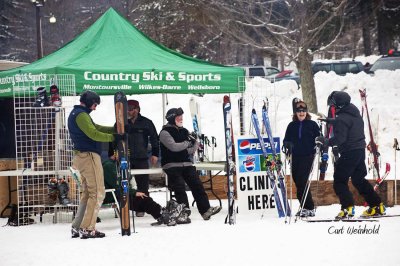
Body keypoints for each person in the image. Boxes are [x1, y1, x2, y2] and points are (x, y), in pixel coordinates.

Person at [316, 91, 385, 219]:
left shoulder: (342, 118)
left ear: (338, 106)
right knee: (358, 180)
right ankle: (377, 205)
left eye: (333, 106)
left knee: (339, 180)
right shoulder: (354, 114)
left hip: (349, 152)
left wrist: (325, 141)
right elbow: (346, 124)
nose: (332, 108)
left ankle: (347, 208)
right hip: (359, 151)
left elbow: (340, 139)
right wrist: (331, 120)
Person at [68, 90, 119, 239]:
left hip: (80, 157)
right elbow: (93, 134)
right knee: (97, 192)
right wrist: (113, 137)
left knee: (87, 194)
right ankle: (88, 228)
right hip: (88, 156)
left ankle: (77, 227)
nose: (95, 108)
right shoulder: (81, 115)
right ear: (90, 102)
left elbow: (95, 127)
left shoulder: (77, 113)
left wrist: (114, 129)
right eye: (95, 104)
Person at [159, 107, 222, 222]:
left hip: (186, 163)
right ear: (172, 118)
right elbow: (173, 147)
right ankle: (184, 212)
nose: (181, 119)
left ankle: (205, 210)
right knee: (179, 187)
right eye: (178, 117)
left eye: (181, 117)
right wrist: (187, 143)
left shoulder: (184, 131)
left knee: (197, 185)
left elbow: (189, 151)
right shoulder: (164, 132)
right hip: (171, 164)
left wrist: (196, 143)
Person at [102, 154, 183, 226]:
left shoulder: (117, 164)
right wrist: (134, 192)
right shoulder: (108, 166)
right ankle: (163, 214)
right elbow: (118, 184)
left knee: (144, 198)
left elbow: (126, 179)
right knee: (143, 198)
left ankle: (162, 213)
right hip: (113, 194)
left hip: (120, 192)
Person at [283, 100, 320, 217]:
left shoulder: (312, 125)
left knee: (302, 181)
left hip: (308, 156)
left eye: (303, 111)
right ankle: (304, 206)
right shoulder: (291, 125)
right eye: (299, 111)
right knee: (297, 181)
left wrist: (319, 144)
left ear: (306, 112)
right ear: (295, 113)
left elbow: (319, 138)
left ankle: (309, 207)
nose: (301, 113)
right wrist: (287, 144)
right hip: (295, 157)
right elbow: (286, 139)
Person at [124, 99, 159, 217]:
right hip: (125, 158)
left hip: (141, 158)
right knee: (124, 184)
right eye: (127, 109)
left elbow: (155, 139)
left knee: (143, 185)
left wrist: (155, 154)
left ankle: (143, 207)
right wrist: (112, 154)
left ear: (137, 109)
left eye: (131, 109)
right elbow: (113, 139)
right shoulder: (121, 122)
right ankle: (126, 207)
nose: (129, 111)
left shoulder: (147, 122)